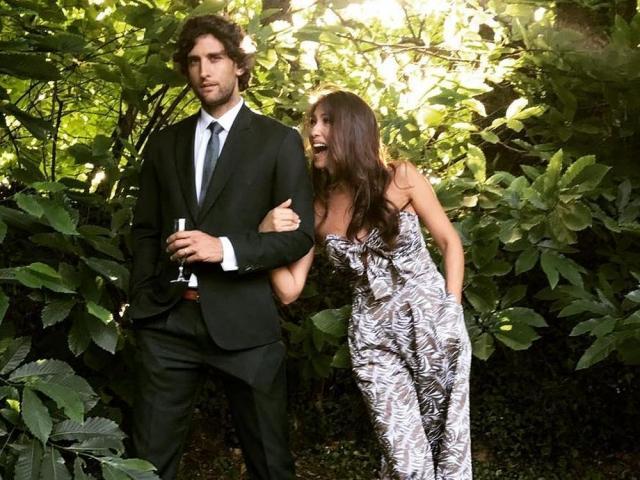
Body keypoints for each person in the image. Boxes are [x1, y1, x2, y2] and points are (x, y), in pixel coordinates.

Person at [128, 14, 314, 480]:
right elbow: (145, 230)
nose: (204, 71)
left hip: (245, 323)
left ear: (239, 65)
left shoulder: (278, 141)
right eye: (194, 61)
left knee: (271, 465)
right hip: (167, 323)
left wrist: (225, 248)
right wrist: (144, 301)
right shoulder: (165, 143)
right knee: (145, 467)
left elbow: (299, 236)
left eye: (215, 58)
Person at [259, 90, 471, 479]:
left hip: (433, 324)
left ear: (353, 130)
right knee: (407, 459)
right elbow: (289, 290)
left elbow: (449, 242)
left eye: (326, 121)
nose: (314, 131)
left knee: (447, 446)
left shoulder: (401, 177)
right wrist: (263, 238)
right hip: (373, 340)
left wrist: (452, 309)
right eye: (312, 122)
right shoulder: (316, 208)